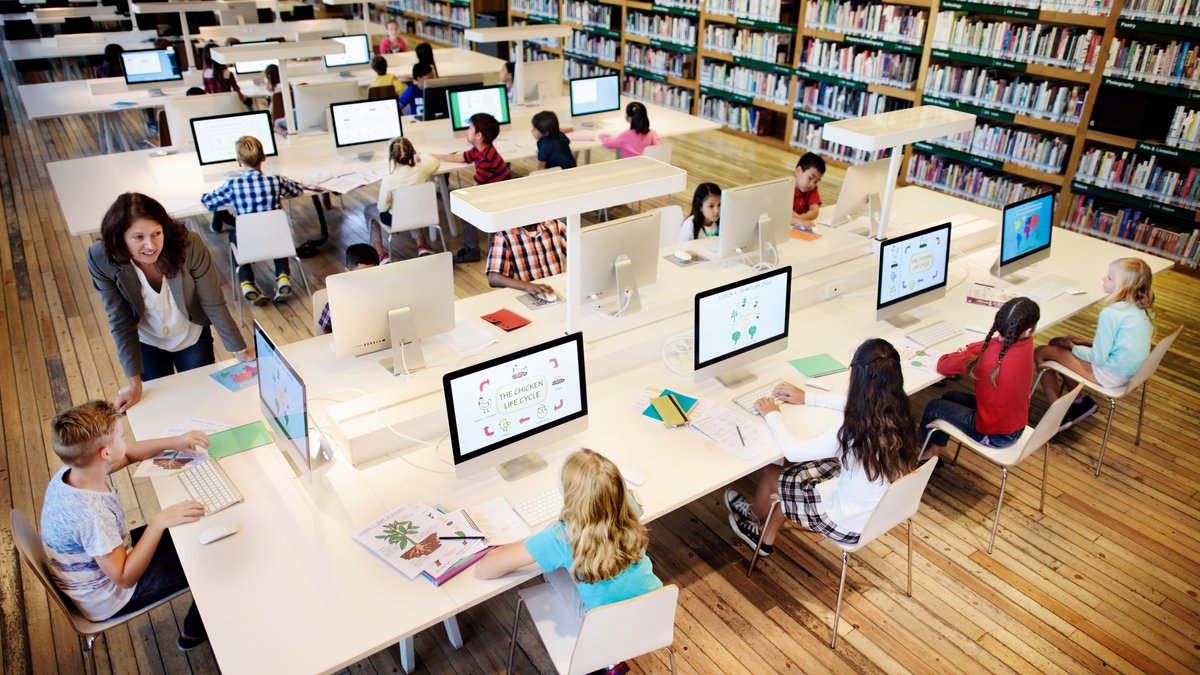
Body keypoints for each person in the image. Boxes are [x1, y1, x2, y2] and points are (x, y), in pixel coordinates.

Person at [41, 401, 210, 649]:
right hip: (111, 595)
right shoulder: (92, 515)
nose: (125, 440)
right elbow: (124, 577)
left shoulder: (76, 471)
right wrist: (157, 523)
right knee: (208, 561)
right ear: (106, 454)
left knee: (191, 533)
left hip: (109, 559)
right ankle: (193, 632)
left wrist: (175, 441)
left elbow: (129, 453)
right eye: (121, 436)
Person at [725, 338, 920, 554]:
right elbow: (858, 406)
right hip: (879, 511)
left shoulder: (852, 430)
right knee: (794, 473)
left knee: (774, 472)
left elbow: (794, 450)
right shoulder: (900, 411)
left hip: (845, 523)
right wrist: (807, 397)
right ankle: (766, 536)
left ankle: (754, 518)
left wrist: (773, 415)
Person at [476, 449, 662, 665]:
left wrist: (542, 538)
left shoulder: (561, 536)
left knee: (553, 571)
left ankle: (607, 663)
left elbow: (485, 569)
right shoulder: (628, 507)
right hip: (654, 614)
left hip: (602, 630)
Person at [87, 193, 251, 411]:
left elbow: (213, 303)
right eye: (138, 237)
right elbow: (120, 320)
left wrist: (240, 351)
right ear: (120, 238)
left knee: (202, 401)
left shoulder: (189, 244)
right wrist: (134, 384)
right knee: (161, 407)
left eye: (157, 233)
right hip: (146, 340)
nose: (151, 245)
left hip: (191, 335)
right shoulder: (100, 258)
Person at [1035, 257, 1155, 430]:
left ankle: (1058, 416)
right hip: (1128, 373)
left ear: (1124, 286)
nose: (1104, 279)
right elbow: (1123, 344)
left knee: (1041, 352)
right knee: (1056, 343)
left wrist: (1073, 347)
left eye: (1110, 278)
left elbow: (1098, 357)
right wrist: (1083, 342)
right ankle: (1080, 400)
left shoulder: (1111, 313)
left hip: (1109, 375)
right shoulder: (1142, 310)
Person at [919, 297, 1040, 461]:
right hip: (1015, 424)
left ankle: (921, 455)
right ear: (1028, 331)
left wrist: (966, 351)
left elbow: (944, 366)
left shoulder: (988, 358)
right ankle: (935, 449)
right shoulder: (1027, 343)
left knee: (933, 407)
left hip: (994, 435)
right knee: (949, 397)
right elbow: (992, 346)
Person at [200, 135, 317, 304]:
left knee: (235, 234)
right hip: (277, 242)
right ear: (264, 158)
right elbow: (297, 190)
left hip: (249, 244)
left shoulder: (233, 185)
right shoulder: (275, 181)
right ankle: (282, 276)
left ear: (238, 161)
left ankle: (246, 282)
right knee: (277, 230)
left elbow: (209, 202)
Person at [433, 112, 511, 264]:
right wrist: (437, 156)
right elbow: (462, 157)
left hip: (497, 197)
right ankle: (471, 247)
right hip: (494, 190)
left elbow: (477, 187)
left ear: (479, 136)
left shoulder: (486, 159)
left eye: (470, 128)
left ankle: (472, 250)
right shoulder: (482, 150)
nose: (467, 131)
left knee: (464, 210)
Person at [365, 137, 441, 259]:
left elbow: (382, 207)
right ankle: (421, 245)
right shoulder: (421, 169)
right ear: (413, 152)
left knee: (368, 210)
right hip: (422, 215)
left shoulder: (389, 179)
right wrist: (420, 156)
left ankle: (381, 254)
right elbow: (435, 162)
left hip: (397, 220)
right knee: (412, 208)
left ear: (391, 158)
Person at [484, 218, 567, 299]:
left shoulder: (556, 226)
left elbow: (577, 252)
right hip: (525, 294)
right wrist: (527, 286)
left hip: (555, 290)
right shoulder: (504, 237)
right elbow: (493, 278)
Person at [317, 244, 380, 334]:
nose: (366, 281)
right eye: (360, 276)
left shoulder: (383, 292)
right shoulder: (337, 300)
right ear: (347, 272)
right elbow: (325, 329)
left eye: (372, 274)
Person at [792, 152, 825, 226]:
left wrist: (800, 218)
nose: (812, 184)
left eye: (816, 181)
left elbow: (815, 211)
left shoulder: (812, 189)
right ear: (798, 171)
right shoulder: (786, 188)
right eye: (810, 178)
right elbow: (781, 215)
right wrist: (798, 221)